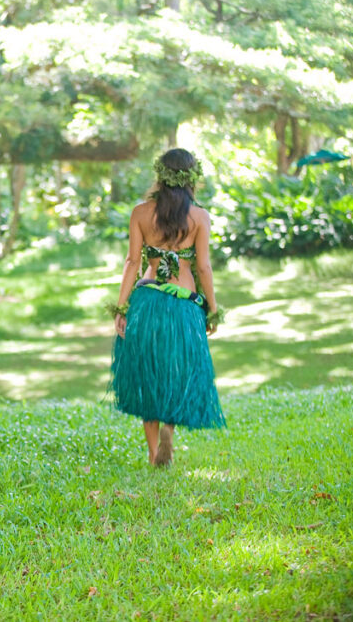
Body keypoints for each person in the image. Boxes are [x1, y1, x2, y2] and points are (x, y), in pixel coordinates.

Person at [106, 148, 226, 467]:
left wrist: (121, 308)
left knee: (148, 374)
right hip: (184, 305)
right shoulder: (199, 217)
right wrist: (212, 310)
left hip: (147, 300)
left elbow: (132, 261)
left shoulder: (141, 213)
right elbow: (203, 268)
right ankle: (170, 429)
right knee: (177, 371)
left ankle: (152, 451)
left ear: (160, 175)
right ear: (191, 178)